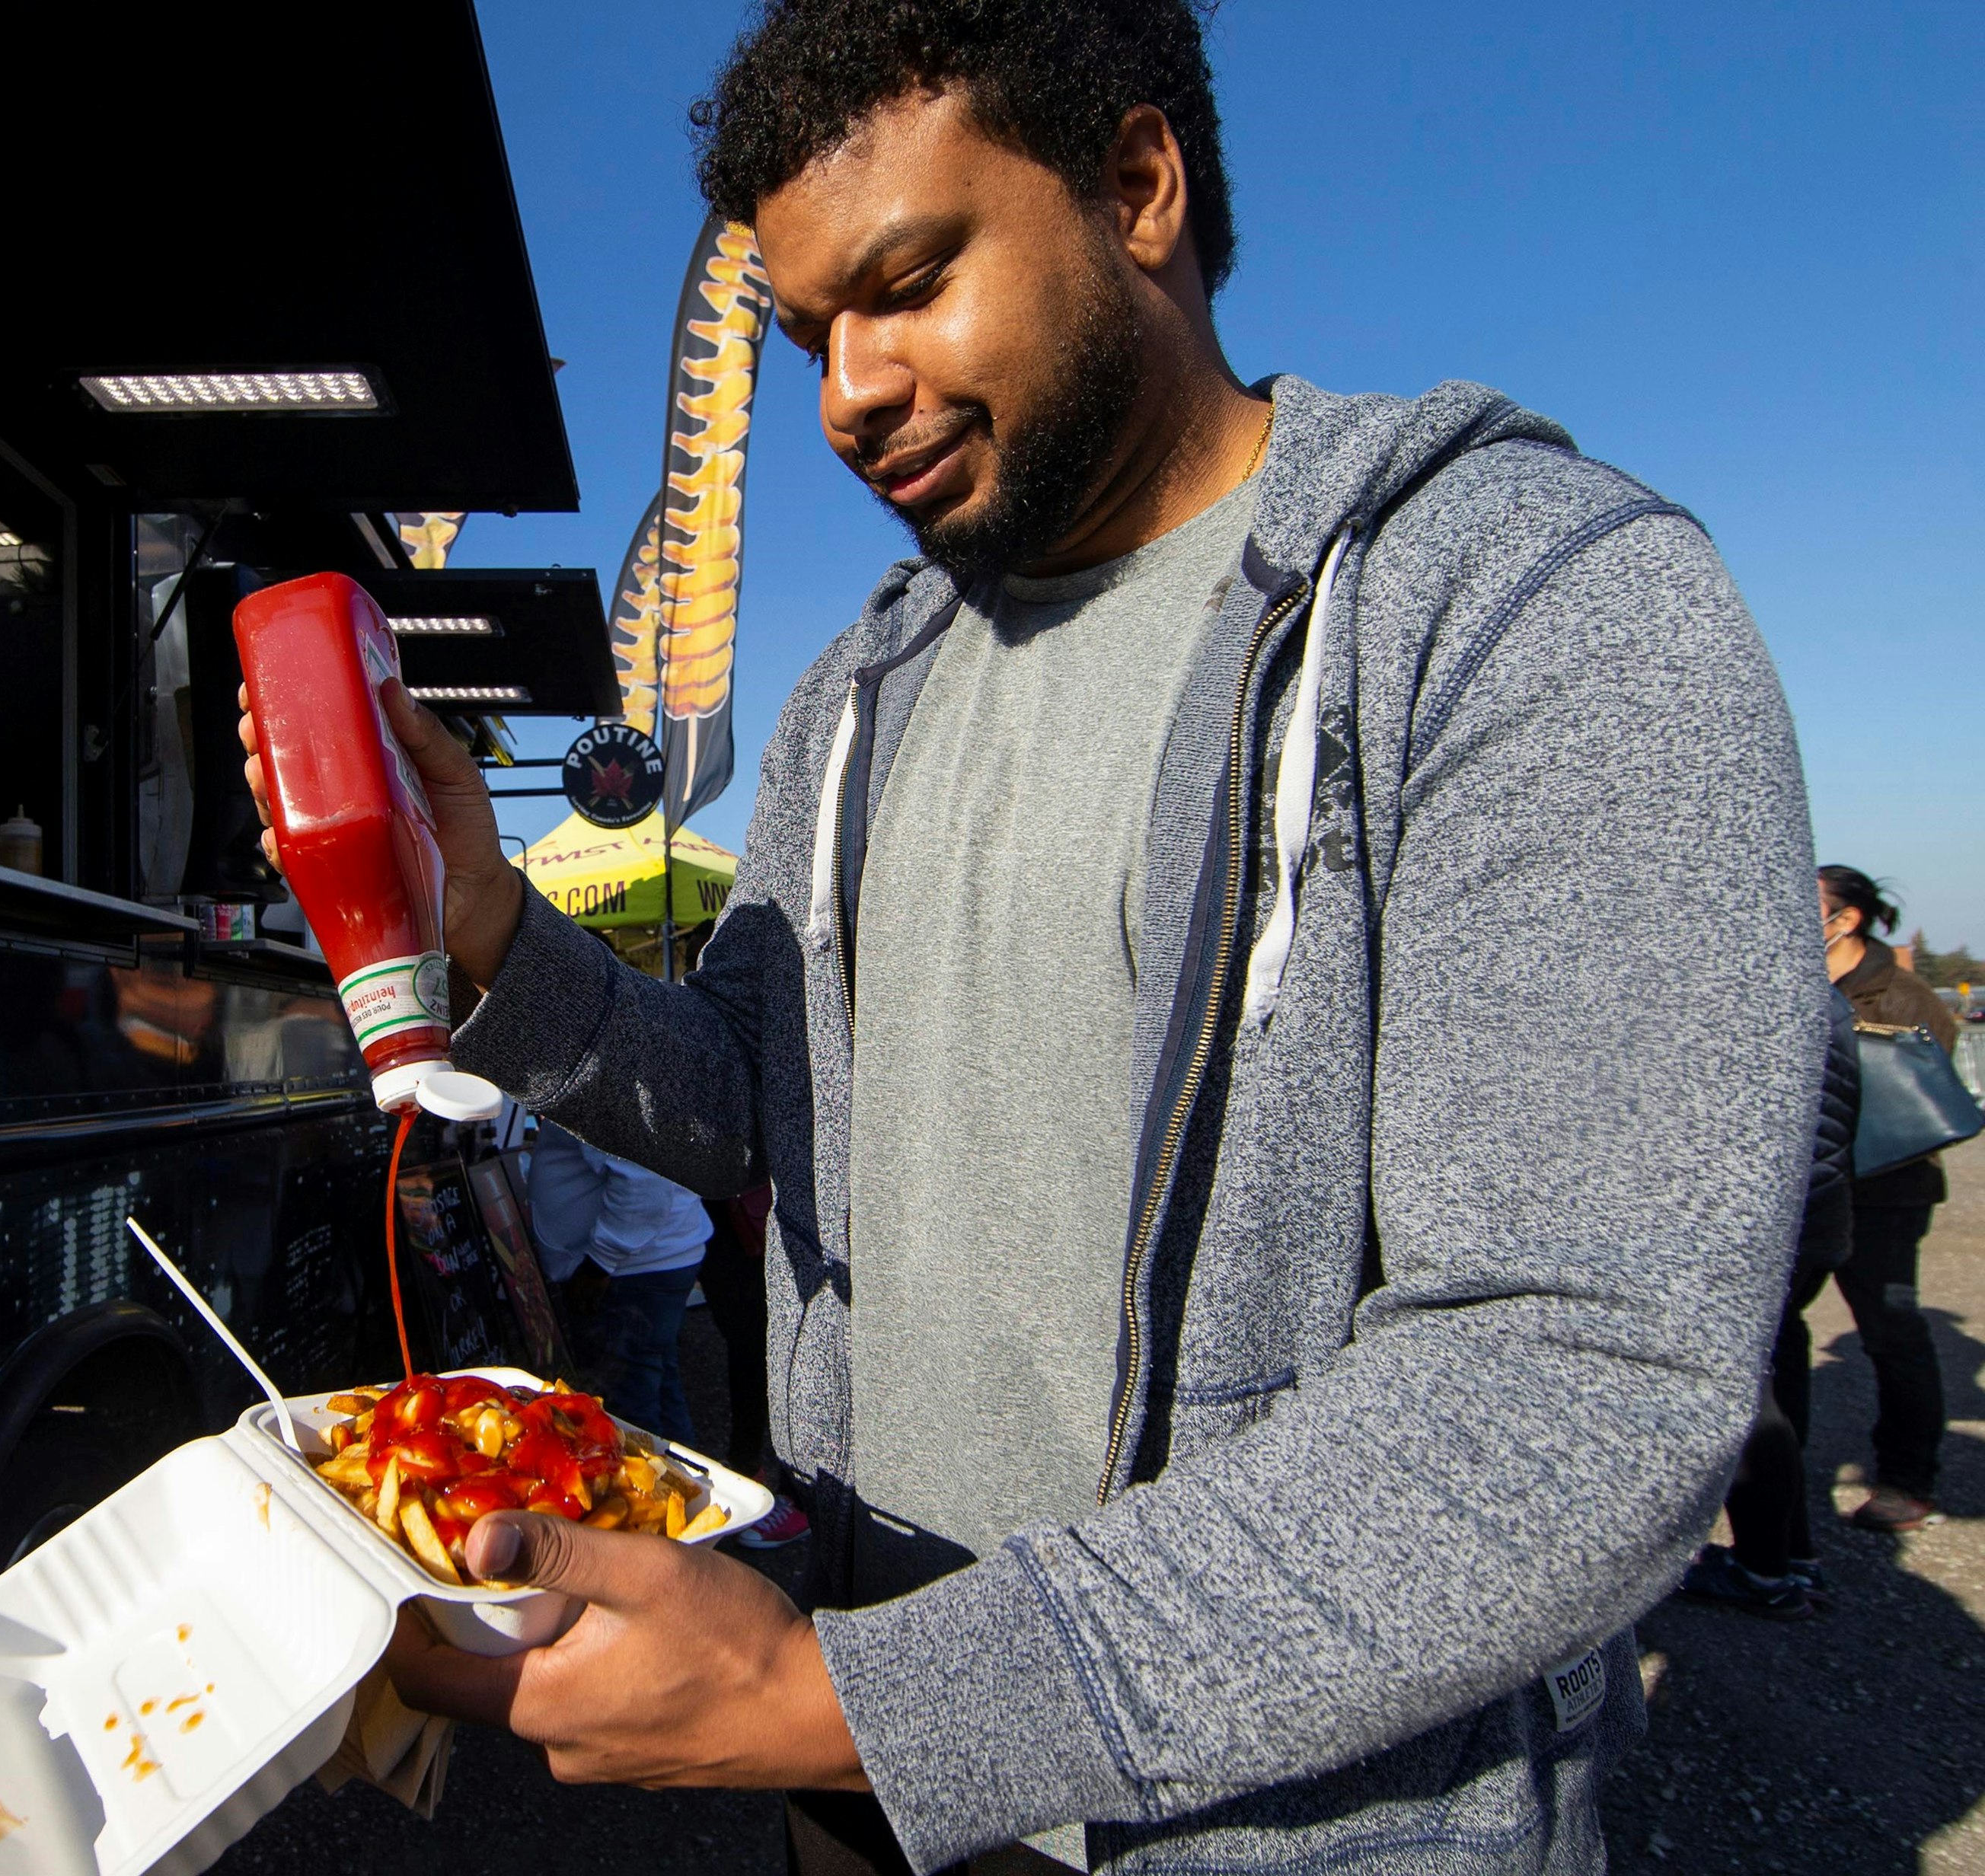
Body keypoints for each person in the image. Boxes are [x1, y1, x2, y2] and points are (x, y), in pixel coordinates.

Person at [240, 2, 1821, 1868]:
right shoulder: (856, 693)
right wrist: (487, 923)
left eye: (906, 285)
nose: (844, 389)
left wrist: (854, 1705)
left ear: (1137, 190)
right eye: (810, 331)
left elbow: (1580, 1384)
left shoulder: (1524, 608)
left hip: (1281, 1820)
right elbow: (759, 1106)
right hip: (862, 1765)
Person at [1683, 987, 1856, 1618]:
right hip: (1805, 1216)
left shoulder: (1757, 987)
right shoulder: (1819, 993)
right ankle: (1791, 1555)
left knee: (1743, 1394)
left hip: (1757, 1224)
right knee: (1764, 1386)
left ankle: (1764, 1570)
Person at [1820, 863, 1962, 1533]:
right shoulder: (1795, 985)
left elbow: (1924, 1087)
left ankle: (1909, 1478)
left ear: (1844, 919)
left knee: (1891, 1335)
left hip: (1885, 1192)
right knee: (1770, 1333)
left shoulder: (1899, 995)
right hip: (1815, 1186)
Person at [525, 1115, 710, 1443]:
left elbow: (645, 1186)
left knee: (628, 1420)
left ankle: (665, 1489)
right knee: (659, 1394)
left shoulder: (605, 1076)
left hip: (631, 1273)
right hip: (646, 1265)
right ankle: (694, 1484)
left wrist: (600, 1263)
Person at [700, 1182, 815, 1549]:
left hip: (768, 1213)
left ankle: (805, 1500)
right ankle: (753, 1467)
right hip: (730, 1217)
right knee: (751, 1345)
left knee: (776, 1347)